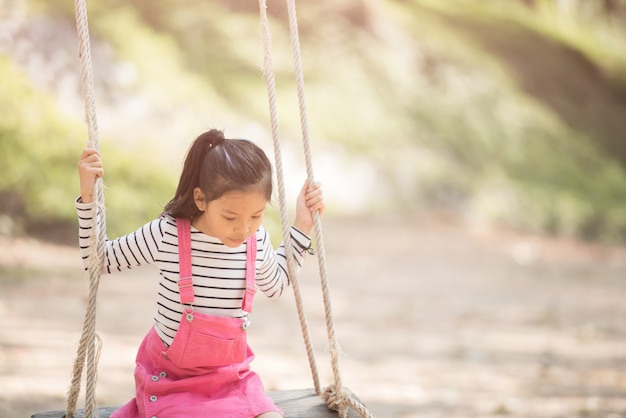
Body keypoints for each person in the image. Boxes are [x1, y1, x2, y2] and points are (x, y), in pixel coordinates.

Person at [76, 129, 325, 418]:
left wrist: (302, 225)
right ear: (201, 199)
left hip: (232, 380)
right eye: (230, 217)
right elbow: (99, 261)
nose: (243, 229)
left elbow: (278, 282)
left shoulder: (256, 242)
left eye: (256, 216)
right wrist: (88, 197)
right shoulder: (169, 234)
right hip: (172, 382)